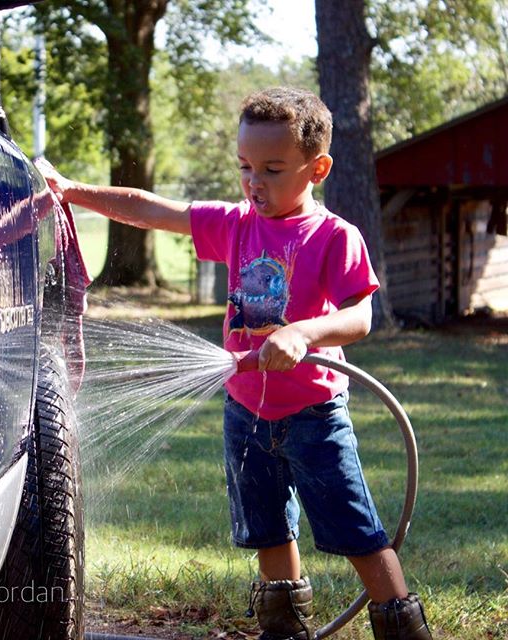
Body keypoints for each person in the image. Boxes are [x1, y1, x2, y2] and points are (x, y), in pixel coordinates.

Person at [36, 86, 432, 640]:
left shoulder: (335, 236)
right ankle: (284, 630)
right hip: (245, 413)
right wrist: (73, 192)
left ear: (317, 168)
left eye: (272, 169)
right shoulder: (237, 224)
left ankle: (403, 629)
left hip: (314, 415)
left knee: (357, 534)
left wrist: (304, 332)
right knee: (269, 533)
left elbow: (362, 316)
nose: (254, 182)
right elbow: (154, 210)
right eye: (245, 167)